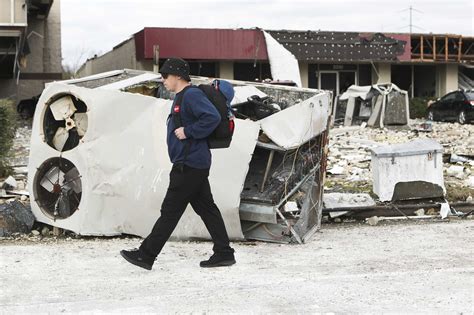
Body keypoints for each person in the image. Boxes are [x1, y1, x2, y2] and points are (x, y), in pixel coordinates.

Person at [120, 57, 235, 270]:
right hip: (192, 162)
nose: (163, 80)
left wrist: (188, 132)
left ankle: (146, 255)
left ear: (178, 75)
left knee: (170, 211)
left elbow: (210, 117)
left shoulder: (191, 95)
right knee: (207, 208)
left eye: (166, 75)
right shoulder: (182, 96)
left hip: (189, 164)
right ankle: (224, 252)